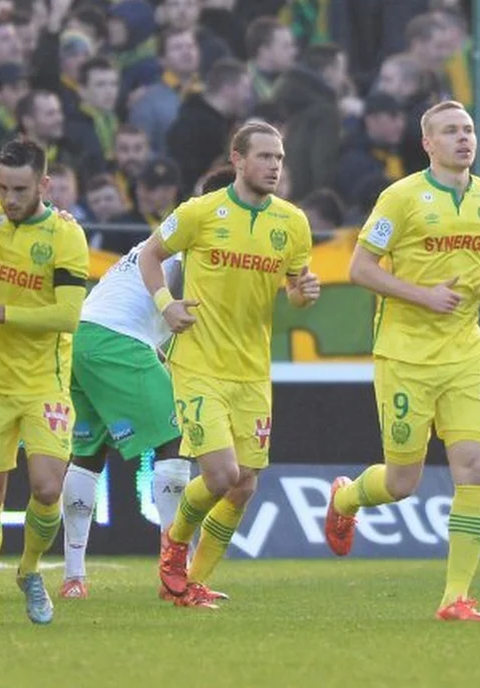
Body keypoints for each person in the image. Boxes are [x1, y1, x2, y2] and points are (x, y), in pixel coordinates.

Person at [322, 101, 480, 623]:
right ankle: (346, 499)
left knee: (474, 466)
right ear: (428, 143)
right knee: (404, 482)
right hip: (405, 354)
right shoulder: (401, 198)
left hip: (465, 353)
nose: (463, 138)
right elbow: (359, 268)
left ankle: (456, 598)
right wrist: (420, 295)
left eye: (468, 129)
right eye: (450, 131)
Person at [138, 121, 319, 609]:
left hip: (252, 369)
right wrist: (165, 304)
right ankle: (174, 549)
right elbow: (150, 256)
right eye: (264, 157)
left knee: (244, 486)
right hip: (199, 361)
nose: (274, 166)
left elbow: (296, 292)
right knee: (220, 475)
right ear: (237, 160)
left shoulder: (292, 223)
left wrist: (303, 293)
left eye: (279, 158)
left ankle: (191, 583)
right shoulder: (201, 212)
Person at [59, 168, 237, 600]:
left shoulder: (161, 240)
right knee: (174, 439)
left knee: (89, 453)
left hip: (82, 335)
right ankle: (174, 576)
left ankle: (73, 577)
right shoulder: (198, 243)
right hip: (117, 340)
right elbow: (173, 299)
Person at [0, 137, 90, 626]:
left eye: (20, 188)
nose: (9, 198)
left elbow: (69, 316)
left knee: (48, 488)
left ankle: (29, 572)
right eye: (3, 187)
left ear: (44, 185)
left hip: (45, 381)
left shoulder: (66, 236)